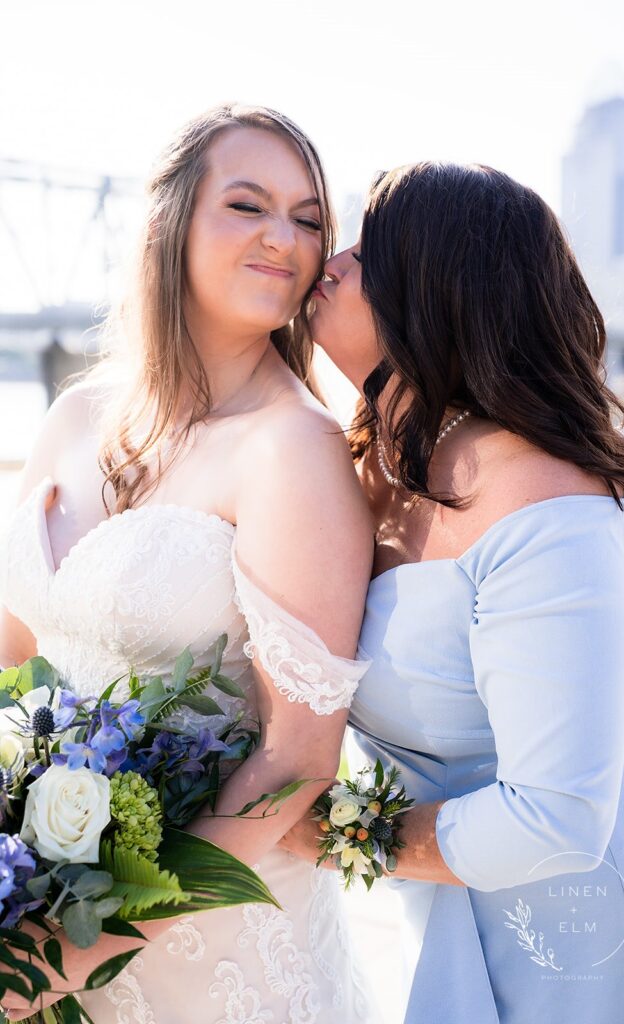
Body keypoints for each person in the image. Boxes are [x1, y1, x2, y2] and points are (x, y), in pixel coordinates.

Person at [0, 103, 376, 1022]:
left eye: (307, 218)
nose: (284, 239)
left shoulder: (295, 448)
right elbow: (14, 664)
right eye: (247, 205)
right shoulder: (74, 419)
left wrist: (80, 949)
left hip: (210, 958)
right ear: (169, 222)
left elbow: (299, 758)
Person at [284, 161, 624, 1023]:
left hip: (577, 937)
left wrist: (325, 833)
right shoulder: (366, 467)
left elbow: (556, 816)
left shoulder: (546, 508)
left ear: (439, 289)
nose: (333, 261)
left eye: (371, 248)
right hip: (433, 905)